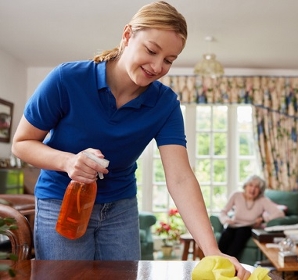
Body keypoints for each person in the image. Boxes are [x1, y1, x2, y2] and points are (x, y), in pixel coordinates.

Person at [11, 1, 250, 279]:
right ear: (127, 35)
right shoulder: (68, 80)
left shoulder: (165, 104)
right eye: (151, 50)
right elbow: (22, 143)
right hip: (62, 203)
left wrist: (212, 251)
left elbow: (180, 177)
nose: (158, 66)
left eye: (169, 60)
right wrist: (67, 161)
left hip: (120, 208)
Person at [218, 175, 285, 259]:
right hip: (233, 225)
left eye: (256, 187)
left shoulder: (262, 200)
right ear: (245, 186)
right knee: (226, 234)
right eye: (250, 185)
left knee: (241, 233)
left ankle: (229, 263)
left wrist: (263, 219)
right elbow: (223, 212)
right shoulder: (236, 195)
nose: (253, 189)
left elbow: (279, 213)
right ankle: (217, 260)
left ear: (260, 190)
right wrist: (226, 220)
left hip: (248, 227)